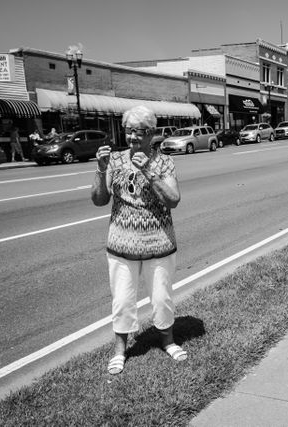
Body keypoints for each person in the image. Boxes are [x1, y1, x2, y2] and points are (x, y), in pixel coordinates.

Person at [91, 105, 185, 375]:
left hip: (159, 243)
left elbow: (173, 200)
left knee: (162, 298)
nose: (132, 137)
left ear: (151, 133)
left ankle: (168, 341)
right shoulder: (116, 160)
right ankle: (120, 350)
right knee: (121, 300)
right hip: (122, 244)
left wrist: (149, 173)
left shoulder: (164, 162)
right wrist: (100, 170)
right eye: (128, 131)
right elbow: (99, 199)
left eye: (139, 132)